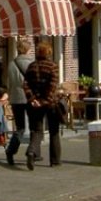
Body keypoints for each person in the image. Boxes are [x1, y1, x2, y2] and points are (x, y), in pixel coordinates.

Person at [22, 41, 60, 170]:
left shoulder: (32, 66)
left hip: (34, 103)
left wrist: (32, 99)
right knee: (54, 131)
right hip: (50, 103)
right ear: (49, 52)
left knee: (36, 130)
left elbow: (25, 84)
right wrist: (44, 101)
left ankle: (32, 152)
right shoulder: (52, 66)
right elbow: (52, 87)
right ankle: (55, 160)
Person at [5, 38, 33, 166]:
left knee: (20, 128)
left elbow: (9, 82)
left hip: (16, 98)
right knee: (34, 127)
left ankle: (11, 150)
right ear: (28, 49)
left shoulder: (11, 64)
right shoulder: (32, 63)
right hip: (30, 97)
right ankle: (32, 152)